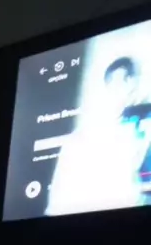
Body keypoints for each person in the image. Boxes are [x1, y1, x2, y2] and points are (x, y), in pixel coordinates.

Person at [46, 56, 150, 216]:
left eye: (131, 81)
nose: (129, 90)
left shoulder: (136, 130)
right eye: (123, 82)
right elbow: (58, 199)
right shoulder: (80, 138)